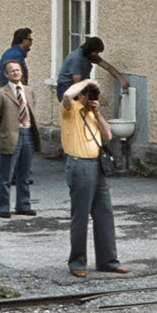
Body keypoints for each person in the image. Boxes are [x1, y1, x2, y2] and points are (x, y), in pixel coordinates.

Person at [60, 77, 126, 277]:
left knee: (104, 214)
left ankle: (108, 260)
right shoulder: (70, 110)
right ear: (81, 95)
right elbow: (66, 95)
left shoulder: (92, 114)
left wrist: (97, 112)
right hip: (79, 165)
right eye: (90, 94)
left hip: (96, 166)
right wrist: (88, 81)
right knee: (80, 216)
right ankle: (77, 262)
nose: (92, 98)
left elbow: (107, 135)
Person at [0, 60, 36, 218]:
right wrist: (4, 132)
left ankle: (23, 205)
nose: (16, 73)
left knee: (25, 173)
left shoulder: (29, 91)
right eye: (12, 71)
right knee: (6, 175)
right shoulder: (1, 93)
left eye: (18, 70)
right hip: (10, 136)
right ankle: (4, 207)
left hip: (27, 133)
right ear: (6, 74)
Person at [56, 36, 129, 101]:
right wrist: (95, 96)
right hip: (67, 89)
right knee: (75, 113)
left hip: (78, 88)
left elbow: (107, 66)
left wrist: (120, 79)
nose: (97, 55)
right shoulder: (77, 58)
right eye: (96, 52)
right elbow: (77, 83)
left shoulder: (90, 55)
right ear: (89, 50)